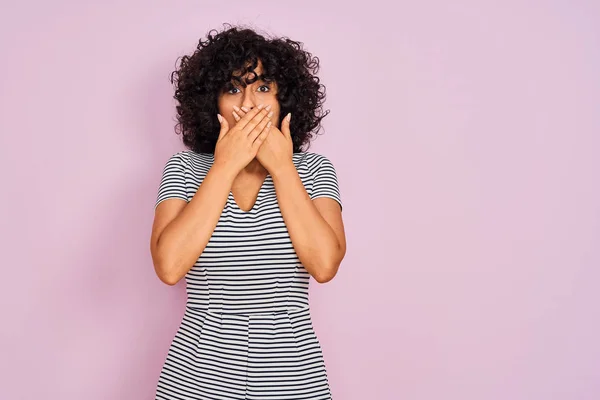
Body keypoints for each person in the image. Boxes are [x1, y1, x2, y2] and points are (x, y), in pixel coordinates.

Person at [150, 24, 346, 400]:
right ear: (214, 102)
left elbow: (324, 265)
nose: (251, 104)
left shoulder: (315, 170)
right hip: (195, 381)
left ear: (283, 99)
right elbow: (169, 267)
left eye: (263, 88)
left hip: (292, 380)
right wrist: (224, 166)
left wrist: (284, 168)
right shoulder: (184, 169)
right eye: (234, 88)